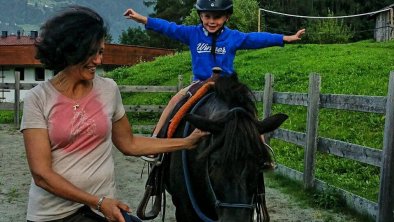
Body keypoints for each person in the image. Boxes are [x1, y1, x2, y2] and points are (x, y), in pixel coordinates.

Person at [21, 6, 207, 222]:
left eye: (100, 52)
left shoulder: (108, 89)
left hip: (102, 211)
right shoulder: (38, 98)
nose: (98, 61)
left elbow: (129, 144)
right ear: (69, 51)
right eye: (90, 53)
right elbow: (41, 175)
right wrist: (97, 201)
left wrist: (186, 142)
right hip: (54, 216)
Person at [124, 0, 305, 162]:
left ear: (226, 17)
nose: (211, 21)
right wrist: (141, 18)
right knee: (174, 101)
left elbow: (256, 38)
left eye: (217, 17)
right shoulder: (192, 34)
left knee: (249, 112)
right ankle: (157, 140)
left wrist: (284, 38)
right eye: (207, 16)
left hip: (227, 85)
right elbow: (168, 27)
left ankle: (261, 148)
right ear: (201, 16)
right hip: (200, 82)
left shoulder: (233, 36)